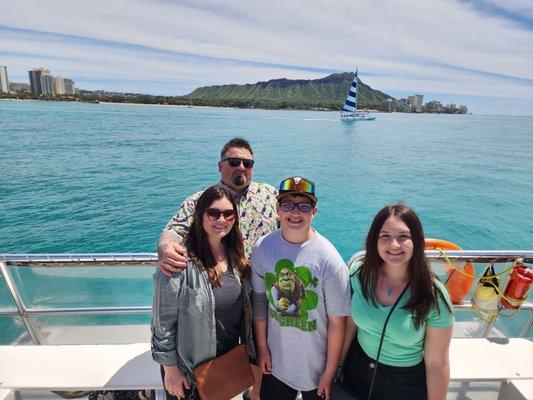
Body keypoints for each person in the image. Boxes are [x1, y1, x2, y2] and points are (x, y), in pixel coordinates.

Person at [339, 204, 454, 400]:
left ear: (416, 241)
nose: (394, 244)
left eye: (403, 237)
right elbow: (349, 326)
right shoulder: (359, 274)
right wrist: (337, 368)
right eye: (385, 236)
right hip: (356, 369)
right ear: (374, 240)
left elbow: (437, 364)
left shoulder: (432, 295)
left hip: (404, 384)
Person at [151, 184, 255, 400]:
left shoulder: (236, 256)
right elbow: (162, 322)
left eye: (228, 213)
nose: (221, 219)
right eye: (213, 213)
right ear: (200, 216)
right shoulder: (179, 260)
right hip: (190, 374)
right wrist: (170, 370)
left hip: (223, 367)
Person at [251, 176, 350, 400]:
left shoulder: (329, 259)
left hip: (316, 369)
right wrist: (262, 348)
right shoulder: (263, 247)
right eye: (288, 205)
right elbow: (260, 302)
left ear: (314, 211)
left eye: (304, 206)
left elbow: (337, 322)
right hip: (276, 363)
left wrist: (329, 372)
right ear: (277, 209)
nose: (295, 213)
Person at [158, 137, 278, 275]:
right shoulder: (199, 200)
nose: (241, 167)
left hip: (266, 281)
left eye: (247, 163)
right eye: (234, 162)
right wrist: (165, 247)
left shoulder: (270, 195)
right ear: (220, 166)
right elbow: (175, 230)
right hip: (220, 283)